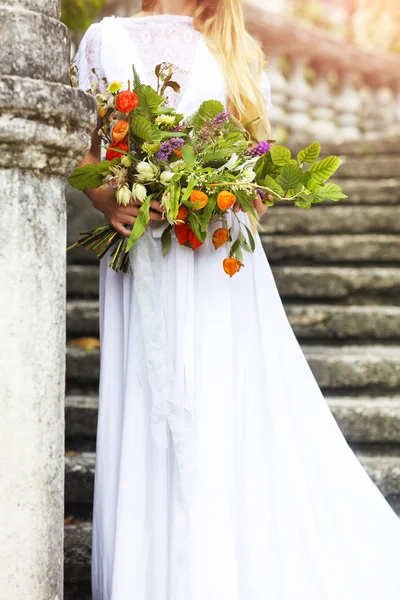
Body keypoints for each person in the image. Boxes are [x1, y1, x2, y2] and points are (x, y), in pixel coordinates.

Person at [73, 2, 400, 599]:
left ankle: (216, 571)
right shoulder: (105, 39)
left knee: (219, 401)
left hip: (217, 259)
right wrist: (108, 199)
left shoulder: (236, 48)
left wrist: (218, 192)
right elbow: (83, 148)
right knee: (151, 396)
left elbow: (260, 163)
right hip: (143, 249)